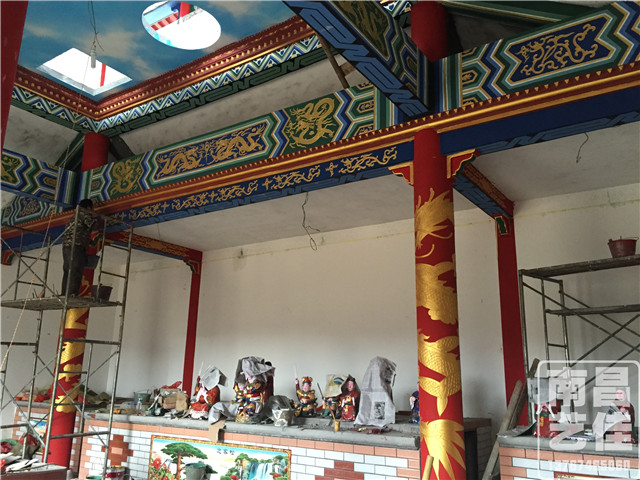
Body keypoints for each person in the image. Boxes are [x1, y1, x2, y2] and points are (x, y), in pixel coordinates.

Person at [61, 199, 98, 296]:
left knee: (67, 271)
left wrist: (89, 241)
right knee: (76, 269)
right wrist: (100, 220)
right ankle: (72, 293)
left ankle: (64, 293)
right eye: (92, 208)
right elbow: (91, 224)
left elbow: (78, 232)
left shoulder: (75, 216)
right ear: (88, 207)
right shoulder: (84, 213)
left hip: (66, 246)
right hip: (76, 246)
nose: (93, 210)